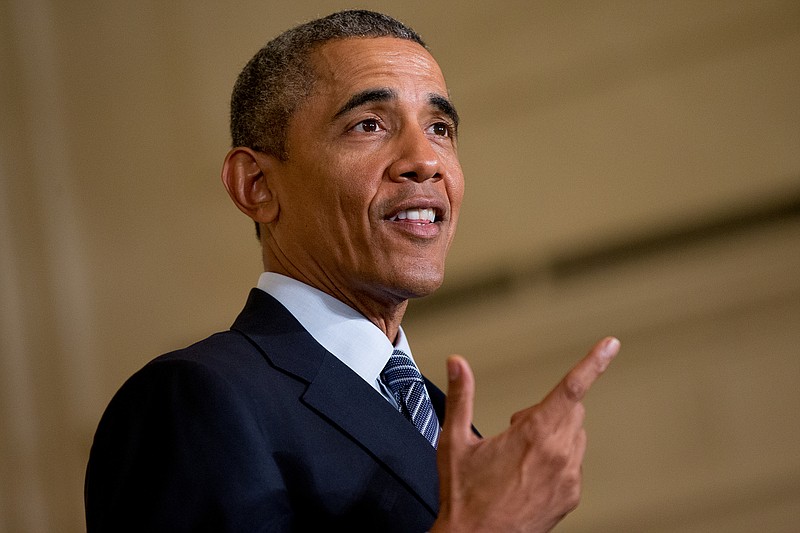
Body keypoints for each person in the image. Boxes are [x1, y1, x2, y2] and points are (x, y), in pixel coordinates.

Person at [84, 9, 620, 532]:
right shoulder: (194, 399)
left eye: (439, 127)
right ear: (256, 186)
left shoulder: (436, 415)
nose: (424, 160)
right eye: (369, 125)